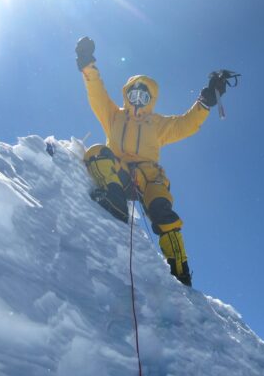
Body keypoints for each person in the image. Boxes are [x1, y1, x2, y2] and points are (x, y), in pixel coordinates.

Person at [75, 36, 227, 286]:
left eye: (144, 98)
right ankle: (115, 200)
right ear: (126, 95)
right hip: (120, 172)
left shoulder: (156, 125)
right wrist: (87, 65)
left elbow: (185, 124)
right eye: (134, 95)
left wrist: (204, 102)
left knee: (161, 210)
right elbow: (97, 94)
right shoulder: (114, 116)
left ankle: (180, 268)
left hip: (149, 177)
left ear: (151, 101)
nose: (137, 102)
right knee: (95, 153)